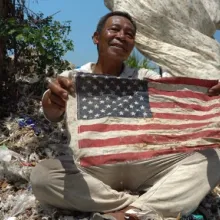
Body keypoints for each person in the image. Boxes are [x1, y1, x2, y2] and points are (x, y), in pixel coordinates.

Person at [30, 11, 220, 220]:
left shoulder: (145, 78)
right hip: (93, 171)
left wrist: (210, 97)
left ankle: (129, 212)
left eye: (129, 34)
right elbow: (51, 111)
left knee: (214, 156)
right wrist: (53, 99)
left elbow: (177, 103)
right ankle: (141, 208)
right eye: (114, 29)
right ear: (96, 37)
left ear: (132, 46)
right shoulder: (73, 79)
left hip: (148, 166)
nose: (122, 36)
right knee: (42, 176)